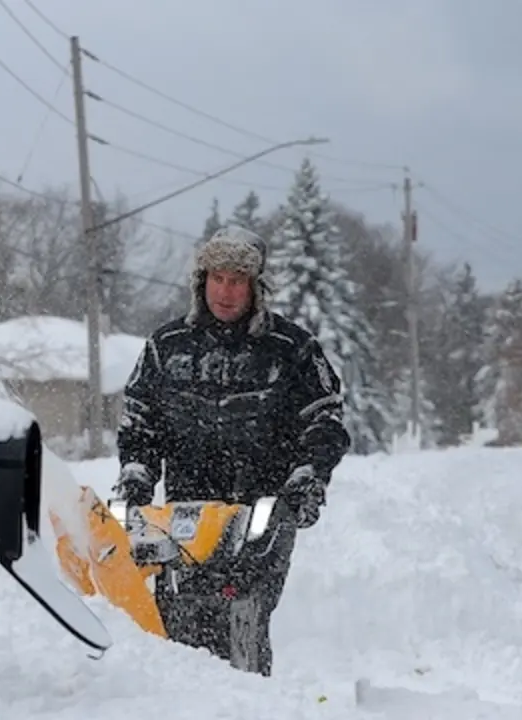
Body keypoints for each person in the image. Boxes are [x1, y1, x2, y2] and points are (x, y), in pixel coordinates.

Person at [113, 224, 351, 676]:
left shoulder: (293, 349)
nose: (225, 291)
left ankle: (247, 699)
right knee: (178, 617)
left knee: (242, 614)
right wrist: (136, 474)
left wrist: (308, 476)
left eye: (237, 280)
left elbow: (325, 421)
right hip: (186, 513)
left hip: (261, 510)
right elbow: (141, 422)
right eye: (217, 278)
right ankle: (184, 700)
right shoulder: (166, 347)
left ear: (255, 288)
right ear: (201, 282)